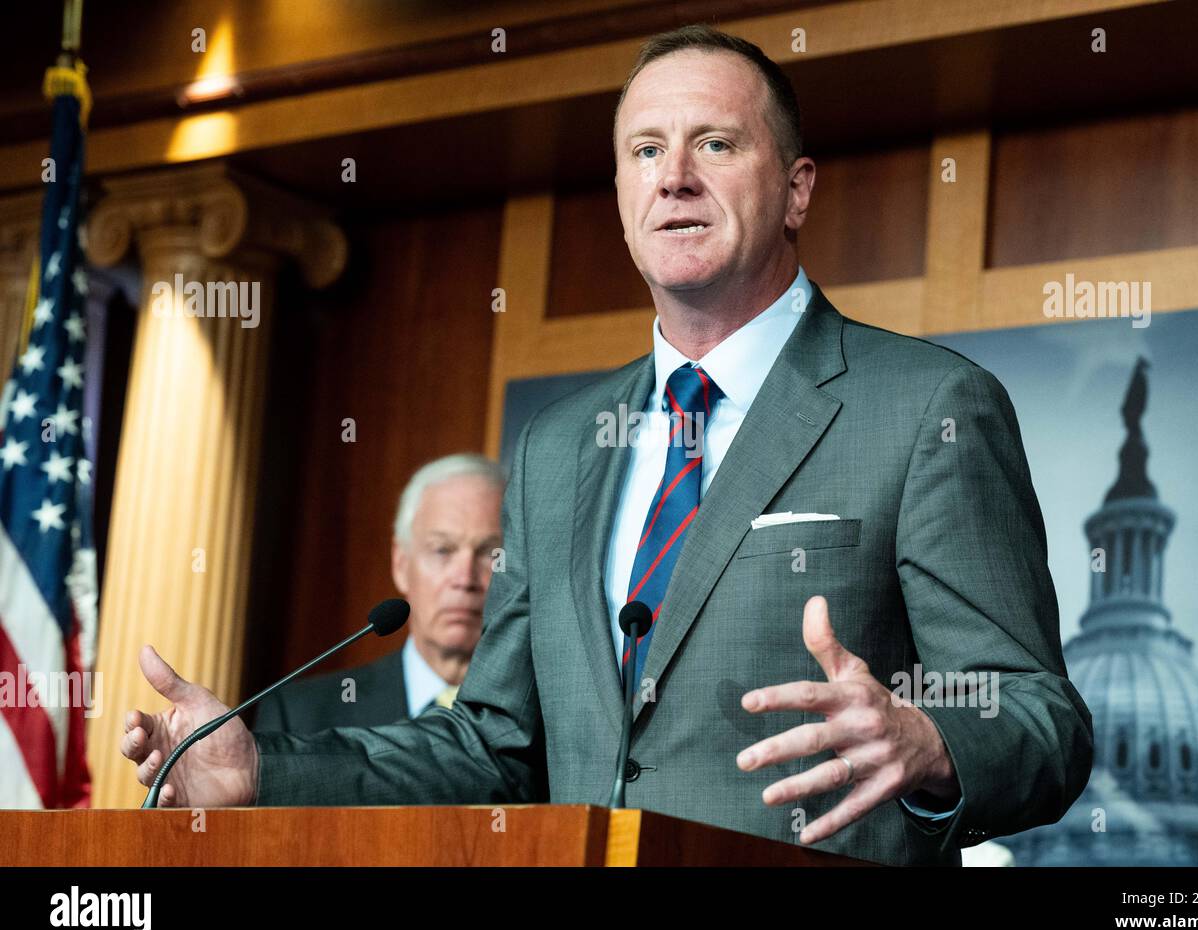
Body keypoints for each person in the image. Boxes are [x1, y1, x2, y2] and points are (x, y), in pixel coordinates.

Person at [121, 24, 1092, 865]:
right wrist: (265, 771)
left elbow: (1042, 726)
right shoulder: (558, 448)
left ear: (796, 189)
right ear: (623, 193)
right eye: (644, 151)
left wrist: (928, 740)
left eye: (714, 143)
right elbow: (491, 747)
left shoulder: (926, 408)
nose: (673, 176)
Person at [254, 454, 505, 733]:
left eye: (488, 553)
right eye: (442, 550)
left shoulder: (550, 723)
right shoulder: (301, 717)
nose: (464, 578)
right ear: (401, 564)